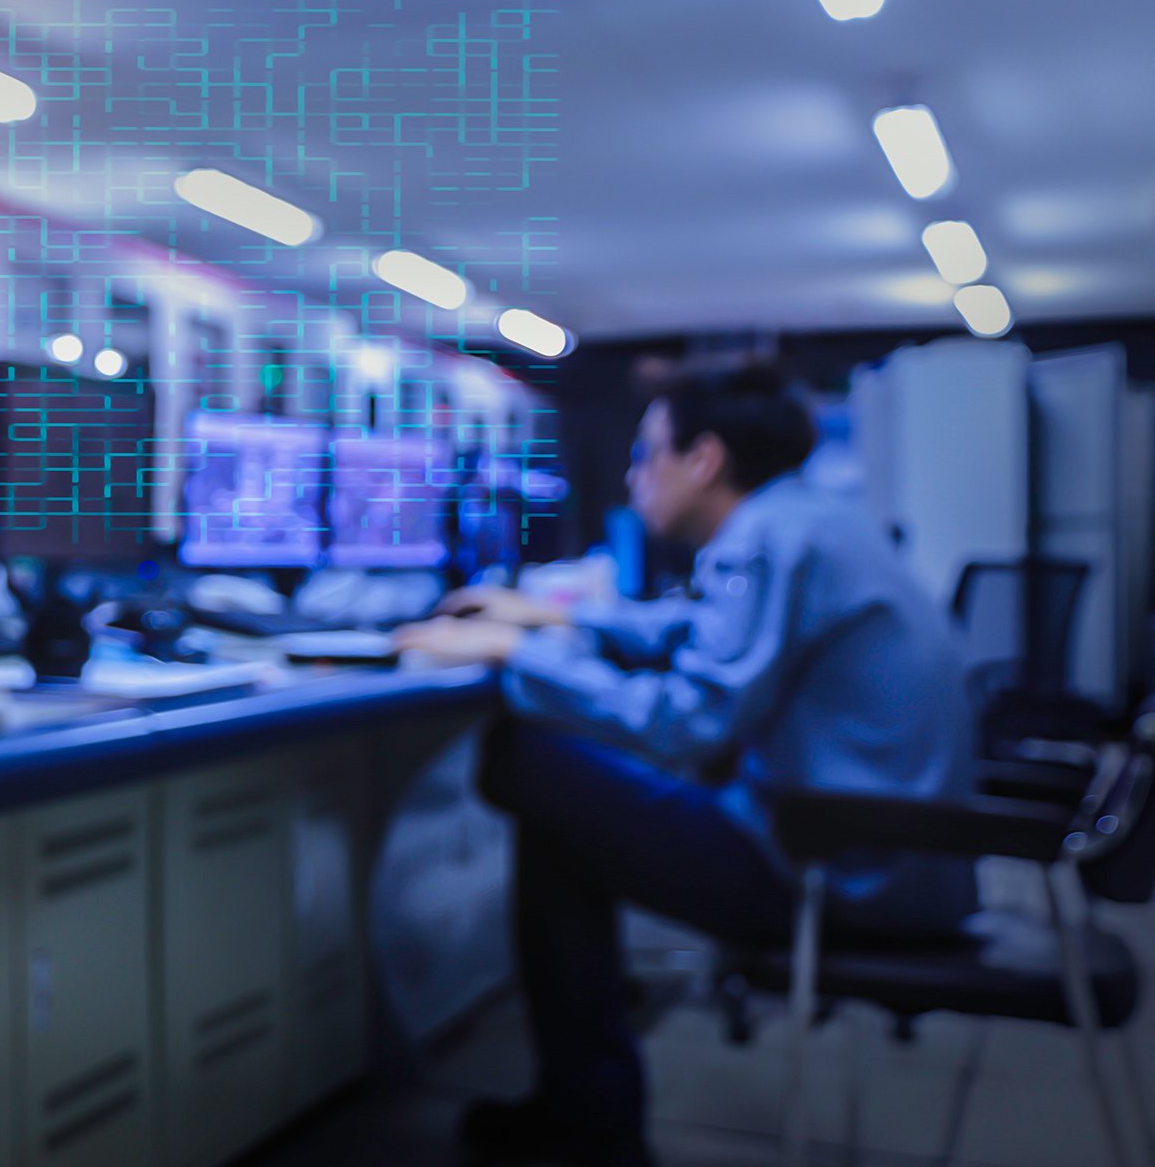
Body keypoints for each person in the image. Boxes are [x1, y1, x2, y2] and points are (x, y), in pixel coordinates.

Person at [393, 364, 978, 1167]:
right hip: (891, 857)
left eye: (646, 456)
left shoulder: (768, 538)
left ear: (702, 460)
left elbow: (688, 721)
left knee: (525, 758)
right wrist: (560, 620)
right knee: (566, 828)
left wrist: (520, 649)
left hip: (832, 872)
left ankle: (590, 1118)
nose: (635, 476)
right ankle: (586, 1120)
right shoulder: (808, 520)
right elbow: (703, 634)